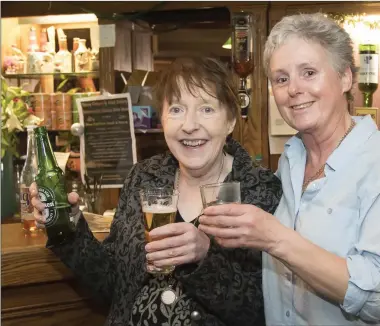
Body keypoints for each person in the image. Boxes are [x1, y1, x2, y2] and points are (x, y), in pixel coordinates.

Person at [30, 57, 282, 326]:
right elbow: (112, 285)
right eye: (176, 110)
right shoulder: (143, 177)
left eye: (206, 109)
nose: (189, 125)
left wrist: (205, 256)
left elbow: (263, 310)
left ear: (230, 120)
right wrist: (67, 226)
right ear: (162, 119)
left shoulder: (260, 192)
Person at [199, 13, 380, 326]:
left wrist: (275, 238)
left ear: (346, 78)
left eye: (309, 72)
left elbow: (375, 299)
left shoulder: (373, 163)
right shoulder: (291, 159)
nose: (293, 89)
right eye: (281, 79)